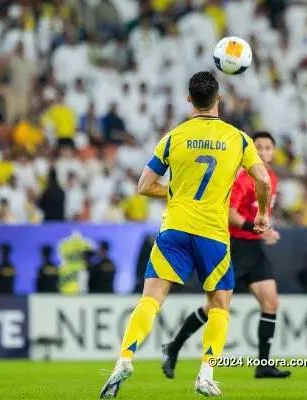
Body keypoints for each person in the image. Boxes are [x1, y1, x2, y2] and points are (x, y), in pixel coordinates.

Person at [100, 71, 271, 398]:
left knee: (150, 299)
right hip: (213, 234)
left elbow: (143, 186)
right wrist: (262, 213)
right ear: (218, 99)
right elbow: (262, 180)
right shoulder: (238, 139)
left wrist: (178, 192)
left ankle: (124, 359)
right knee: (219, 303)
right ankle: (206, 375)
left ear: (189, 100)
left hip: (174, 229)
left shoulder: (173, 137)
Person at [161, 131, 290, 380]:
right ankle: (174, 346)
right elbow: (231, 215)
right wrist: (261, 231)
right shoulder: (243, 178)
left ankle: (263, 365)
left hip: (253, 248)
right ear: (250, 151)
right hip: (234, 246)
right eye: (259, 148)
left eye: (268, 148)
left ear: (273, 152)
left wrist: (261, 232)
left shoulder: (271, 177)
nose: (264, 152)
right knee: (215, 306)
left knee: (271, 303)